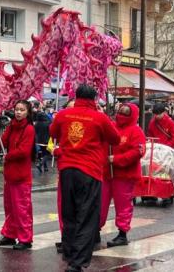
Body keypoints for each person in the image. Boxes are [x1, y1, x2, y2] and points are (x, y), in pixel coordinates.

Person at [50, 84, 120, 272]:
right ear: (94, 99)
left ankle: (69, 253)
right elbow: (115, 138)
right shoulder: (99, 117)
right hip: (89, 170)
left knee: (69, 213)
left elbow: (53, 133)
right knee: (87, 216)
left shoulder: (64, 114)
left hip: (67, 169)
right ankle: (78, 261)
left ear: (76, 96)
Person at [100, 103, 146, 248]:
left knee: (123, 205)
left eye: (126, 112)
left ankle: (122, 233)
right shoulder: (111, 126)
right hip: (106, 172)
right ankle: (95, 229)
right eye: (120, 111)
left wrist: (118, 159)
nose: (122, 114)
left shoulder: (136, 131)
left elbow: (138, 152)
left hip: (125, 175)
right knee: (100, 203)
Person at [0, 100, 36, 250]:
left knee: (22, 209)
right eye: (17, 109)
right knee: (10, 207)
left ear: (27, 112)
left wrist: (9, 156)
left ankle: (26, 238)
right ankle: (10, 234)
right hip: (10, 174)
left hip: (21, 176)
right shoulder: (12, 126)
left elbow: (24, 151)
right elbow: (1, 143)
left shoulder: (29, 129)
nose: (18, 112)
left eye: (22, 110)